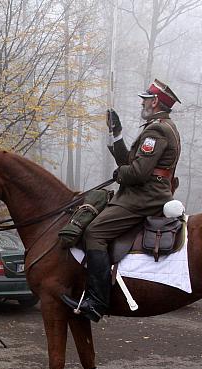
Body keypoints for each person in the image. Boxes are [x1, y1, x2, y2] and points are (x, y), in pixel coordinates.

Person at [61, 79, 182, 321]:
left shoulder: (157, 130)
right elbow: (129, 161)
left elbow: (138, 172)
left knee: (94, 232)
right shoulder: (160, 127)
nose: (142, 103)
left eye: (145, 99)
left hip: (145, 197)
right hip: (142, 193)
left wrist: (120, 174)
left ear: (155, 101)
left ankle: (96, 301)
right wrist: (116, 134)